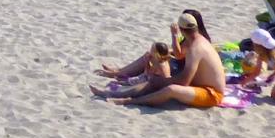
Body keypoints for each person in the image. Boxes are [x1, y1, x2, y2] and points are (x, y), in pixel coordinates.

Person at [92, 12, 225, 107]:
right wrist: (160, 81)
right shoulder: (197, 42)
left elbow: (184, 81)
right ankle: (112, 94)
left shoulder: (196, 48)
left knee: (170, 89)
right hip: (201, 86)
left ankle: (131, 101)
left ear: (182, 30)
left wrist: (164, 81)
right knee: (155, 82)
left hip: (212, 94)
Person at [96, 9, 211, 79]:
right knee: (152, 53)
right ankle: (119, 71)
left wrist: (174, 35)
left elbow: (179, 54)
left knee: (154, 57)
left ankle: (118, 73)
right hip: (181, 63)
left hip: (182, 69)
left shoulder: (194, 39)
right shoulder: (197, 35)